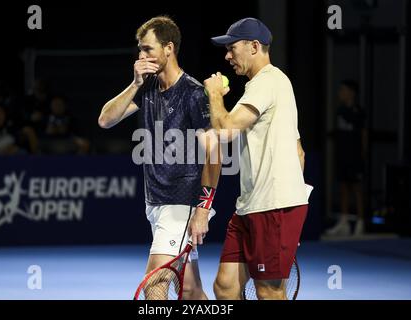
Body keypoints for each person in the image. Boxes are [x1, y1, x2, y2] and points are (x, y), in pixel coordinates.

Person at [98, 16, 221, 300]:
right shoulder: (147, 88)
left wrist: (203, 208)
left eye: (148, 49)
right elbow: (105, 119)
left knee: (154, 284)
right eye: (140, 50)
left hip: (182, 204)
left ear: (169, 48)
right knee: (190, 291)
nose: (142, 56)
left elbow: (214, 154)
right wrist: (135, 83)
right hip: (154, 202)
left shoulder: (194, 93)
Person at [204, 17, 309, 300]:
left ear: (254, 46)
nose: (227, 56)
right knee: (225, 287)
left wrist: (214, 95)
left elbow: (224, 130)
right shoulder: (270, 84)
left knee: (269, 292)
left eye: (231, 48)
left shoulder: (267, 82)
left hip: (273, 206)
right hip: (253, 205)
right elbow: (299, 152)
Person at [325, 80, 366, 237]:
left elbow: (363, 134)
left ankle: (360, 222)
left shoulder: (358, 112)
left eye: (343, 90)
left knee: (356, 188)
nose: (340, 93)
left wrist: (362, 155)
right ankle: (344, 222)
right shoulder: (340, 110)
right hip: (342, 155)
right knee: (343, 187)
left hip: (355, 156)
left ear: (351, 93)